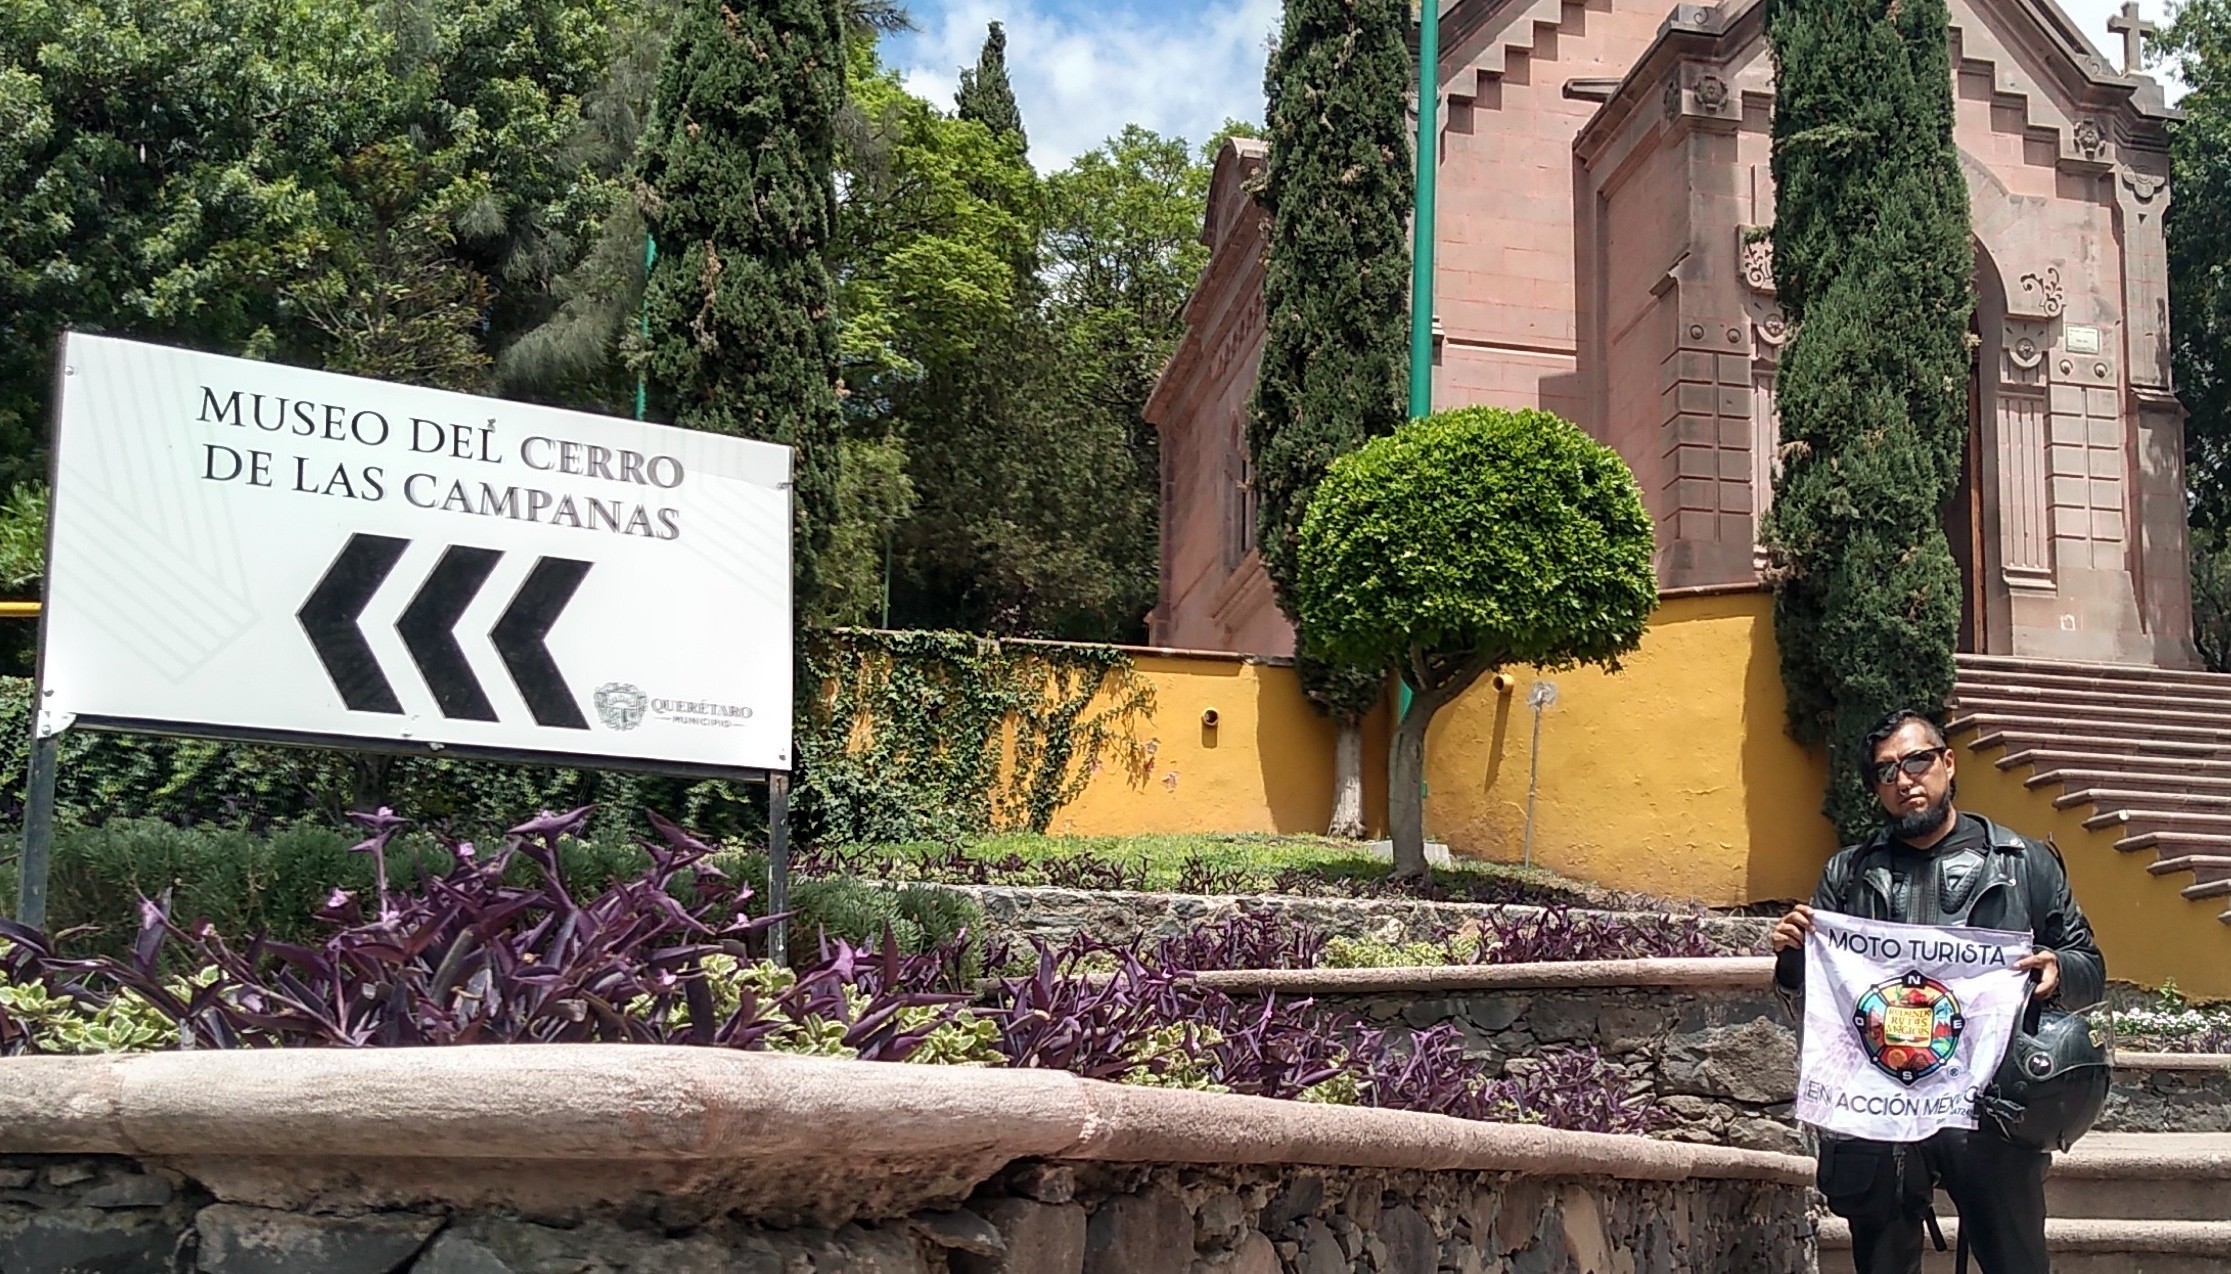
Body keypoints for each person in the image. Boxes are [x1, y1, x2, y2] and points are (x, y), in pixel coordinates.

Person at [1772, 709, 2104, 1274]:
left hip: (1993, 1102)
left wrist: (2060, 968)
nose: (1904, 780)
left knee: (2016, 1262)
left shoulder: (2025, 864)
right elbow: (1813, 991)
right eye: (1885, 772)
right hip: (1881, 1110)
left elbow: (2089, 965)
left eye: (1917, 761)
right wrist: (1792, 958)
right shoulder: (1848, 875)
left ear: (1947, 764)